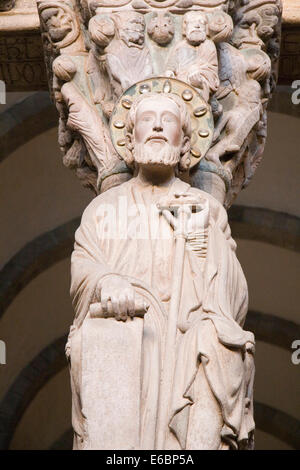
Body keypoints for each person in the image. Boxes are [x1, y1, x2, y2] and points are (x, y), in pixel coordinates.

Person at [68, 90, 255, 450]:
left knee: (217, 342)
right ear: (131, 137)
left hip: (187, 336)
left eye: (168, 120)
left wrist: (202, 241)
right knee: (102, 338)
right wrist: (108, 282)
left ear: (185, 142)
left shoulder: (204, 207)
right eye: (146, 119)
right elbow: (83, 267)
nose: (156, 125)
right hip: (130, 326)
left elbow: (235, 299)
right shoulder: (105, 208)